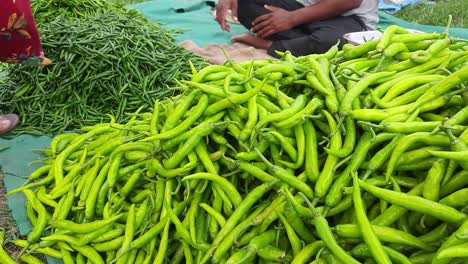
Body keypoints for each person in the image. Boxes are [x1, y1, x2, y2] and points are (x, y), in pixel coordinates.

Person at [215, 0, 378, 57]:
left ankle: (272, 46)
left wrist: (291, 18)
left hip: (350, 20)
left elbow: (350, 1)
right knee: (245, 3)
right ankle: (304, 44)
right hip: (306, 11)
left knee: (334, 41)